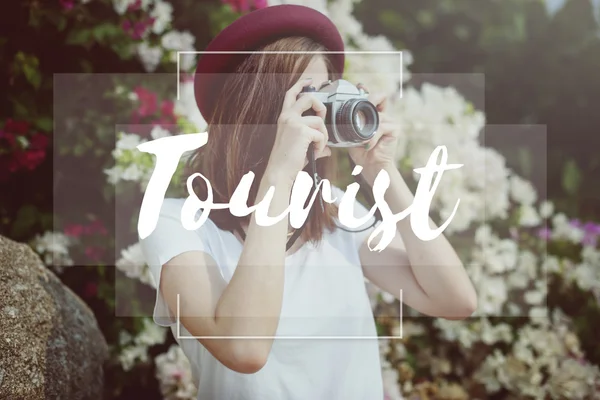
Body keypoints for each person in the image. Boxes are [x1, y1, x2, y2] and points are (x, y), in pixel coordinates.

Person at [140, 5, 477, 400]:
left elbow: (455, 299)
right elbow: (244, 349)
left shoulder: (335, 211)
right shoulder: (176, 223)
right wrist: (278, 175)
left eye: (327, 93)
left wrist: (381, 171)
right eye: (306, 96)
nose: (321, 110)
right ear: (253, 107)